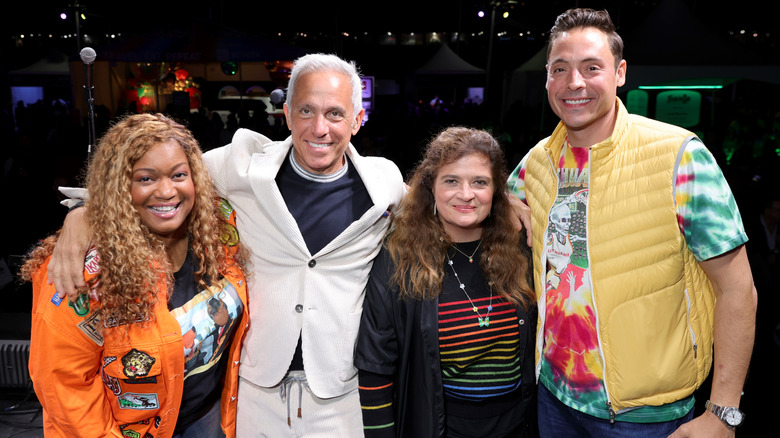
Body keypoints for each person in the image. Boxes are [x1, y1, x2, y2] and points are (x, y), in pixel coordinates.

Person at [46, 53, 532, 436]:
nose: (320, 128)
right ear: (286, 113)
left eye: (336, 114)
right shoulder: (239, 165)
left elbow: (449, 202)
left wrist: (505, 205)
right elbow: (159, 179)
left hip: (341, 392)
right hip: (255, 387)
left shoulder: (384, 183)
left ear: (358, 119)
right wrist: (85, 214)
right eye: (307, 111)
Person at [506, 8, 757, 437]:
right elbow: (496, 199)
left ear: (620, 73)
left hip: (646, 418)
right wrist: (504, 202)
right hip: (552, 398)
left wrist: (722, 414)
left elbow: (738, 289)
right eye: (560, 69)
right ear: (547, 77)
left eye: (591, 67)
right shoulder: (538, 162)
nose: (575, 83)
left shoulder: (679, 156)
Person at [20, 113, 249, 438]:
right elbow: (64, 385)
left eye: (179, 174)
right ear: (118, 186)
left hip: (209, 415)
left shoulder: (217, 230)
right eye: (146, 178)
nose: (167, 191)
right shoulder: (83, 269)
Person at [355, 126, 538, 437]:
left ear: (495, 190)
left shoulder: (522, 251)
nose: (466, 194)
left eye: (480, 182)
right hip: (440, 428)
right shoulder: (399, 259)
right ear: (431, 187)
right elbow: (375, 368)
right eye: (451, 181)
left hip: (518, 426)